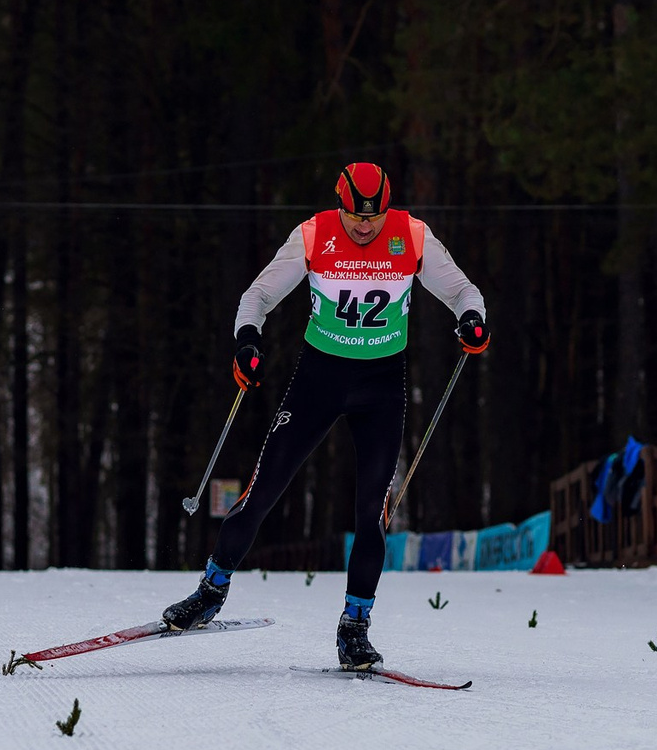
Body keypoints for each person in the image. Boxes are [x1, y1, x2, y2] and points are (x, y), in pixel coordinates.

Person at [163, 162, 489, 670]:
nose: (364, 226)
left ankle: (354, 628)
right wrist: (247, 342)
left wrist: (471, 319)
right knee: (261, 492)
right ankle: (211, 590)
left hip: (381, 387)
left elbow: (464, 291)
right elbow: (258, 296)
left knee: (372, 515)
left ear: (387, 207)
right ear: (340, 204)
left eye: (374, 217)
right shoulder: (314, 234)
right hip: (319, 379)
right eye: (355, 216)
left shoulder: (412, 235)